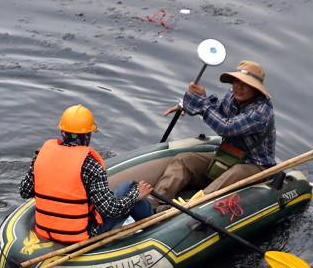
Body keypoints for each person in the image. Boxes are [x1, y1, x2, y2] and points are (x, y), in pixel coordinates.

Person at [149, 60, 276, 211]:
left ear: (256, 89)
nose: (238, 87)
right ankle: (154, 202)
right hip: (229, 156)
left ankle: (186, 208)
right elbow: (218, 112)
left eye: (246, 84)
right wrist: (191, 104)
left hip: (256, 165)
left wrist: (201, 103)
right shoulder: (232, 96)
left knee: (235, 172)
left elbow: (226, 128)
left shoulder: (261, 111)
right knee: (183, 160)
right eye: (237, 81)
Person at [19, 104, 153, 243]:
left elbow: (24, 191)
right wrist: (136, 195)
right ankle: (156, 227)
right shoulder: (91, 166)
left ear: (62, 132)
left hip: (44, 232)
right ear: (87, 136)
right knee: (127, 189)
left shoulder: (40, 157)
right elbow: (110, 210)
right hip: (80, 237)